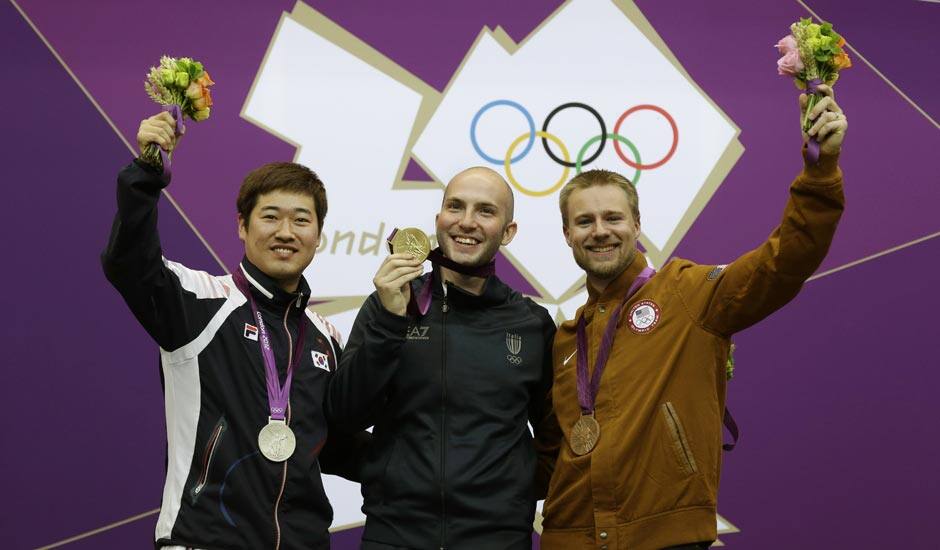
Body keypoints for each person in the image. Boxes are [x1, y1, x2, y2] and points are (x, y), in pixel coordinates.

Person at [539, 87, 848, 550]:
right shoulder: (565, 340)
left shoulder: (687, 293)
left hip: (668, 537)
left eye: (613, 218)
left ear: (637, 225)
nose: (599, 231)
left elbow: (784, 260)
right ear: (567, 234)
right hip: (570, 540)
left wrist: (820, 170)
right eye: (584, 222)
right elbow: (547, 457)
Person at [102, 112, 365, 550]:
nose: (286, 232)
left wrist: (434, 470)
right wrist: (145, 175)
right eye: (270, 217)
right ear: (242, 226)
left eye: (301, 220)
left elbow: (335, 445)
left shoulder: (327, 338)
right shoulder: (201, 302)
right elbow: (128, 263)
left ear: (319, 236)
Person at [327, 167, 559, 549]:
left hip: (497, 537)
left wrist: (507, 493)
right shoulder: (389, 305)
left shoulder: (531, 323)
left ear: (508, 231)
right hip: (395, 533)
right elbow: (345, 415)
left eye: (486, 211)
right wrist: (389, 322)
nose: (466, 222)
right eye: (456, 206)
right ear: (438, 220)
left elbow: (556, 439)